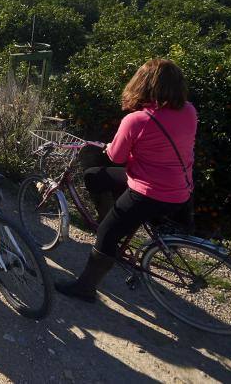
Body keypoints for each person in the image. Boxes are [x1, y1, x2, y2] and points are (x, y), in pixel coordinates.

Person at [56, 58, 197, 303]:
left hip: (150, 193)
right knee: (95, 177)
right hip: (181, 189)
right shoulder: (189, 110)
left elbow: (117, 157)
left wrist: (112, 147)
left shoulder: (137, 120)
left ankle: (85, 288)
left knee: (107, 233)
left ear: (143, 85)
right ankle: (111, 218)